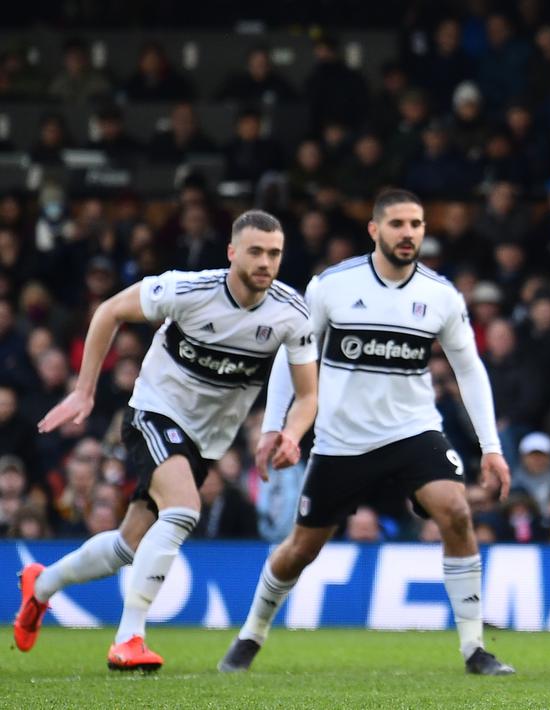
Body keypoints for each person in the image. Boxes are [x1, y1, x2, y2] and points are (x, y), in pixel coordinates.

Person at [217, 190, 515, 676]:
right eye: (397, 223)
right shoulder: (332, 286)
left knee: (456, 511)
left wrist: (492, 448)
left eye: (416, 224)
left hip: (413, 431)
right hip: (342, 441)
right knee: (300, 550)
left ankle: (474, 648)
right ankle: (251, 634)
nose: (408, 233)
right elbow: (290, 357)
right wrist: (273, 426)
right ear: (375, 230)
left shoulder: (440, 295)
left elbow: (470, 370)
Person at [15, 211, 318, 672]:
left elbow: (309, 393)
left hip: (205, 440)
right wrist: (84, 390)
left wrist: (291, 433)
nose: (265, 262)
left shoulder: (290, 313)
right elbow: (109, 310)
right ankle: (129, 638)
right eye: (255, 251)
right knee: (184, 508)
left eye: (274, 253)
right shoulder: (188, 289)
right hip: (154, 411)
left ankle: (40, 587)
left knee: (126, 546)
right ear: (232, 252)